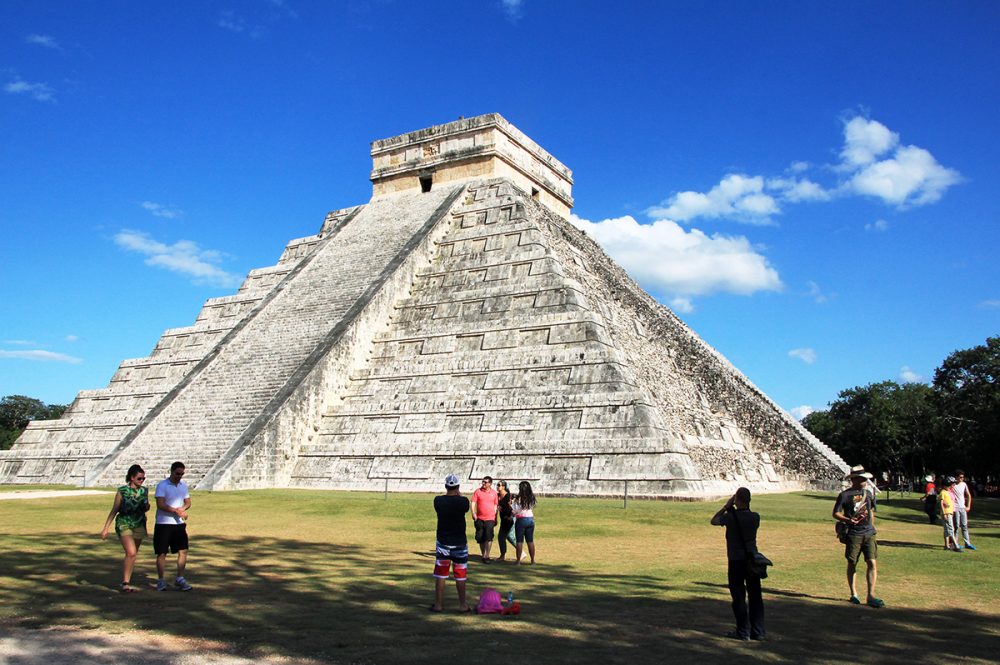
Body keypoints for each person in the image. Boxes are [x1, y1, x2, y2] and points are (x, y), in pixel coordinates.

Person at [711, 487, 764, 641]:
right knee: (755, 596)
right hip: (752, 560)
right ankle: (758, 631)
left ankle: (743, 631)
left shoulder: (730, 518)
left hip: (736, 560)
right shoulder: (755, 517)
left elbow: (714, 521)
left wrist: (726, 507)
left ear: (736, 500)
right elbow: (746, 515)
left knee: (739, 596)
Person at [833, 465, 884, 608]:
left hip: (868, 533)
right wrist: (847, 520)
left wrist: (872, 528)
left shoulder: (868, 493)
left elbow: (871, 511)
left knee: (872, 562)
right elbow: (835, 513)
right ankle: (854, 593)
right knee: (852, 563)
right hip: (854, 534)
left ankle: (871, 595)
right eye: (862, 479)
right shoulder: (845, 495)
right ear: (854, 479)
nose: (865, 481)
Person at [100, 464, 150, 593]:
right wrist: (106, 528)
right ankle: (125, 582)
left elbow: (144, 507)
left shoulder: (144, 491)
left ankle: (127, 578)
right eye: (139, 478)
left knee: (133, 555)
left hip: (139, 523)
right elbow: (115, 509)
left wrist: (146, 507)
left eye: (143, 478)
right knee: (131, 552)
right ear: (132, 478)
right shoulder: (122, 491)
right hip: (124, 522)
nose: (142, 481)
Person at [432, 474, 471, 612]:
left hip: (443, 541)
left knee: (441, 574)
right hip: (459, 542)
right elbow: (465, 507)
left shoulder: (438, 501)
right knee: (460, 575)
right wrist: (459, 495)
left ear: (446, 486)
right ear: (458, 487)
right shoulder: (463, 501)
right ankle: (462, 604)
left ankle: (438, 604)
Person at [154, 461, 193, 591]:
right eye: (177, 473)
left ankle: (180, 578)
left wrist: (182, 509)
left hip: (178, 524)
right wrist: (176, 511)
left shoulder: (183, 485)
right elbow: (160, 504)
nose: (179, 476)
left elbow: (188, 501)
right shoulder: (162, 485)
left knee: (183, 550)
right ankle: (161, 580)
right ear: (171, 471)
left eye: (182, 474)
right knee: (162, 553)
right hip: (164, 523)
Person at [471, 475, 499, 563]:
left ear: (490, 484)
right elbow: (473, 502)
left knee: (489, 537)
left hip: (490, 518)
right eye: (483, 481)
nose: (483, 483)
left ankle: (487, 555)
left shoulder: (494, 493)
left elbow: (495, 505)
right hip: (479, 518)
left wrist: (495, 516)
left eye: (485, 482)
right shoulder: (477, 492)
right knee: (480, 537)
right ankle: (483, 554)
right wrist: (473, 513)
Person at [513, 481, 537, 565]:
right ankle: (533, 560)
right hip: (530, 519)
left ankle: (518, 560)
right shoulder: (531, 497)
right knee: (530, 541)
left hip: (521, 520)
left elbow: (515, 511)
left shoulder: (518, 498)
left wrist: (511, 507)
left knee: (519, 541)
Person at [951, 470, 976, 550]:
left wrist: (968, 506)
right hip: (955, 508)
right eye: (960, 477)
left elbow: (968, 495)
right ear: (956, 477)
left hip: (963, 508)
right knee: (956, 526)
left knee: (964, 526)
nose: (962, 479)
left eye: (963, 477)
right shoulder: (952, 485)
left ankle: (967, 543)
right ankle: (955, 543)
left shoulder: (964, 484)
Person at [495, 480, 517, 561]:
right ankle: (520, 551)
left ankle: (503, 555)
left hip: (508, 519)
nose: (497, 486)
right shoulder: (497, 495)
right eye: (497, 485)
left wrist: (511, 516)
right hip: (503, 519)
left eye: (499, 485)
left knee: (502, 537)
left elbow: (513, 507)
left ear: (503, 487)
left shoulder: (508, 496)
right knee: (506, 537)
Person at [939, 476, 961, 552]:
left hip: (950, 513)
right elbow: (941, 503)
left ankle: (946, 546)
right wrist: (944, 513)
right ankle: (956, 546)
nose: (951, 486)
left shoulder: (948, 492)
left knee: (946, 530)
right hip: (946, 513)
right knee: (951, 529)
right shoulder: (943, 492)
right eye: (950, 485)